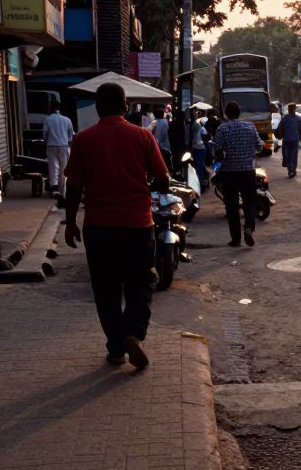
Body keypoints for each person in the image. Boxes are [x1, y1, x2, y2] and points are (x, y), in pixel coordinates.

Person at [63, 82, 169, 370]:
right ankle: (133, 333)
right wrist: (147, 187)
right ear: (126, 106)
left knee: (106, 287)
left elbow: (73, 187)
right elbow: (163, 180)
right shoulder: (143, 136)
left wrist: (71, 223)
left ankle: (116, 348)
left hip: (98, 226)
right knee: (141, 280)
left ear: (97, 108)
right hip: (137, 223)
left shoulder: (83, 139)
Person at [210, 102, 264, 247]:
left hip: (229, 173)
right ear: (239, 113)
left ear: (226, 114)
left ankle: (236, 238)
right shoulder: (250, 127)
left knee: (231, 206)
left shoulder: (223, 128)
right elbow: (259, 146)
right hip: (248, 171)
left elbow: (216, 149)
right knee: (249, 202)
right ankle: (248, 228)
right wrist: (251, 154)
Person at [42, 102, 75, 199]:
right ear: (59, 109)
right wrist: (69, 143)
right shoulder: (67, 120)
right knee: (63, 169)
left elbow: (45, 134)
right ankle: (62, 191)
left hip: (51, 145)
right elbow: (71, 135)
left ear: (50, 109)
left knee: (53, 168)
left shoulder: (48, 119)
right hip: (64, 146)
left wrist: (45, 142)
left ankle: (54, 189)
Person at [275, 102, 301, 178]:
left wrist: (280, 135)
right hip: (294, 140)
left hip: (287, 140)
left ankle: (291, 170)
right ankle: (292, 170)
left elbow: (279, 128)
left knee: (288, 155)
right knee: (293, 155)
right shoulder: (297, 119)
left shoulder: (285, 118)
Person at [189, 108, 209, 190]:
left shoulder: (201, 129)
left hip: (200, 149)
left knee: (200, 167)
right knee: (198, 167)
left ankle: (200, 184)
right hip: (197, 148)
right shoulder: (196, 129)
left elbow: (205, 139)